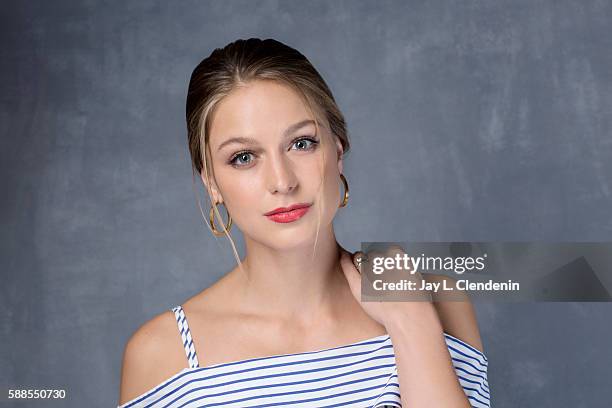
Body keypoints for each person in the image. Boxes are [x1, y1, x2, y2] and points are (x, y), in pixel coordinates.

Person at [118, 38, 490, 408]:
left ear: (338, 150)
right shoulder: (164, 354)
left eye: (301, 143)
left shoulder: (439, 302)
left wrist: (411, 322)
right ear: (211, 181)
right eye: (244, 157)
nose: (282, 181)